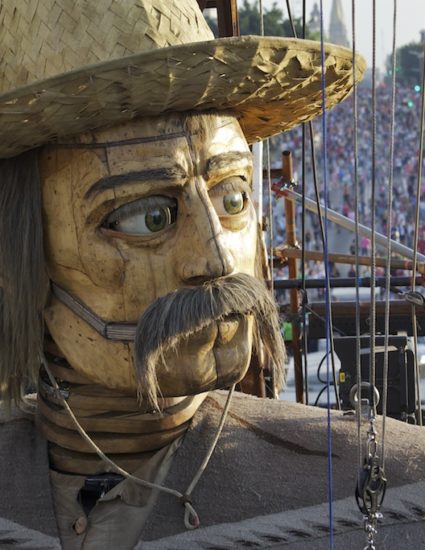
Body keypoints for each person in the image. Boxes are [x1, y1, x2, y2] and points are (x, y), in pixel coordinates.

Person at [1, 2, 424, 549]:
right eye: (148, 217)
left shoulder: (377, 485)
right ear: (19, 258)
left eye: (233, 197)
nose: (218, 261)